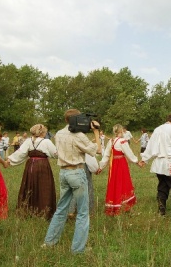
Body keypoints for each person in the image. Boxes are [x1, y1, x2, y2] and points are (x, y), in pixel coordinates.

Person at [42, 109, 101, 254]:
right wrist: (96, 132)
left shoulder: (59, 134)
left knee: (61, 209)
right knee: (82, 212)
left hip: (63, 172)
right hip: (77, 172)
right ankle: (78, 249)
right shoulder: (79, 135)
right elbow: (96, 150)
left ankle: (49, 242)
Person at [140, 113, 171, 221]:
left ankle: (161, 212)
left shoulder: (157, 129)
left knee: (163, 187)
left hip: (159, 164)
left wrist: (145, 159)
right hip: (170, 163)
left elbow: (150, 145)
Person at [8, 124, 57, 220]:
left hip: (30, 166)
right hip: (43, 166)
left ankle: (29, 210)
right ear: (42, 132)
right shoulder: (46, 141)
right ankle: (44, 212)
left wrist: (9, 161)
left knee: (30, 186)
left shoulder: (28, 141)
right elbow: (55, 154)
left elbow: (20, 153)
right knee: (44, 187)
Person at [96, 124, 142, 216]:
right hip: (121, 165)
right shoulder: (122, 141)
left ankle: (115, 206)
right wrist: (137, 162)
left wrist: (100, 167)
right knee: (124, 184)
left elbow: (106, 156)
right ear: (121, 131)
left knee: (115, 184)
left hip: (113, 166)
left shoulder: (111, 141)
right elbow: (129, 153)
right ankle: (126, 207)